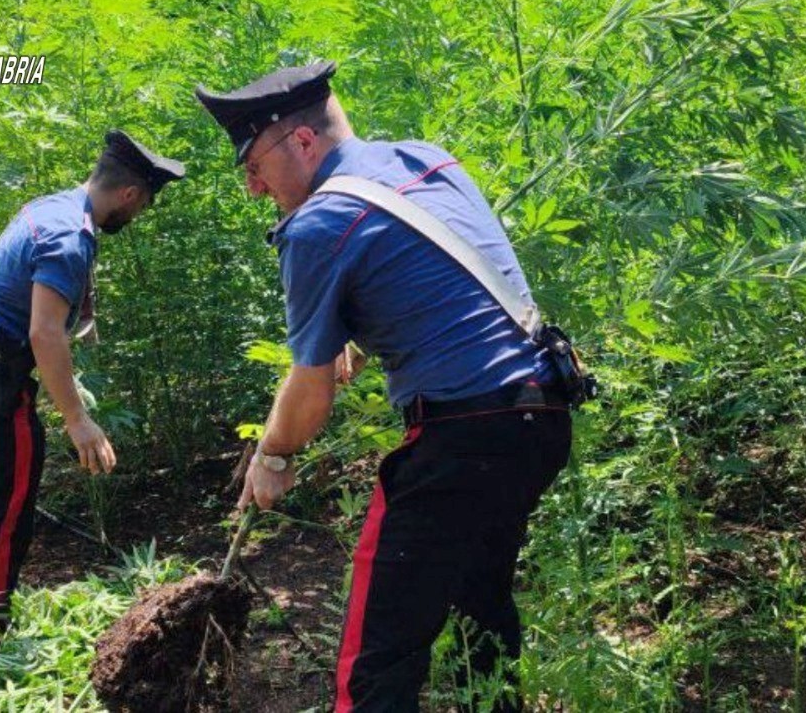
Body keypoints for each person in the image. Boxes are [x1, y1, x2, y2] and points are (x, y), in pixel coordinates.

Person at [198, 61, 575, 712]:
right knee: (476, 608)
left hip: (460, 437)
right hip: (539, 416)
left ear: (303, 142)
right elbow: (436, 287)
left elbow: (310, 395)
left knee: (377, 656)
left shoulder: (318, 224)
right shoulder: (424, 160)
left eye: (255, 167)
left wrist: (273, 454)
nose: (255, 188)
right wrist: (359, 333)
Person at [0, 130, 184, 660]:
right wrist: (77, 419)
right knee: (6, 513)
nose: (139, 216)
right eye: (144, 205)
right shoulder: (70, 237)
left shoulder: (51, 207)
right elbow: (43, 333)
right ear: (130, 195)